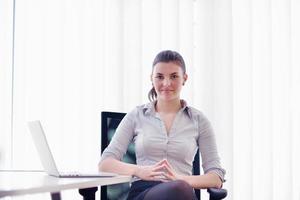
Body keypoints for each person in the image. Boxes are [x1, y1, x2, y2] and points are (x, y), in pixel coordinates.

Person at [98, 50, 225, 200]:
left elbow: (216, 177)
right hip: (144, 192)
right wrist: (139, 171)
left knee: (179, 188)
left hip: (182, 191)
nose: (166, 83)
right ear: (151, 79)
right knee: (179, 189)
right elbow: (105, 164)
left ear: (184, 78)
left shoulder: (199, 120)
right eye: (159, 77)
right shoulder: (136, 115)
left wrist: (180, 178)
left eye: (174, 76)